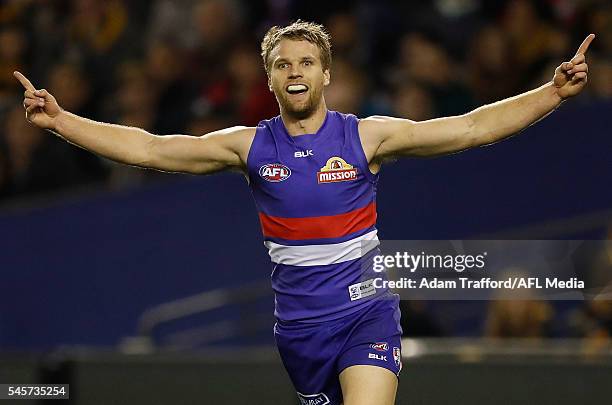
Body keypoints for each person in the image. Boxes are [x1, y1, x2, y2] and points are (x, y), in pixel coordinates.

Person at [15, 20, 593, 405]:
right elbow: (149, 147)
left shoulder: (366, 138)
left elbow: (467, 128)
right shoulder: (247, 147)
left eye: (307, 62)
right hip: (300, 331)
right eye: (283, 64)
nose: (295, 71)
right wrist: (61, 121)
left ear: (326, 74)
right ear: (270, 78)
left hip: (366, 314)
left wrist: (551, 93)